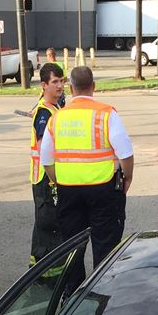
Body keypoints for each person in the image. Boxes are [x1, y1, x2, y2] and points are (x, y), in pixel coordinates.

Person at [40, 66, 134, 268]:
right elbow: (125, 152)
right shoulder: (106, 114)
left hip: (68, 190)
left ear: (71, 88)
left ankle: (73, 294)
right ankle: (101, 293)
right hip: (104, 188)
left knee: (72, 248)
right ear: (93, 86)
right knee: (106, 247)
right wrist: (128, 178)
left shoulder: (57, 117)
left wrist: (58, 179)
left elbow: (46, 159)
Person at [29, 62, 65, 269]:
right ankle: (46, 274)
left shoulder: (56, 108)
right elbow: (44, 148)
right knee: (48, 226)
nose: (59, 86)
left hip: (50, 176)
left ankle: (41, 270)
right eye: (55, 82)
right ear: (44, 85)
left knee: (46, 226)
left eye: (61, 81)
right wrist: (54, 177)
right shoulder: (44, 112)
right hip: (45, 178)